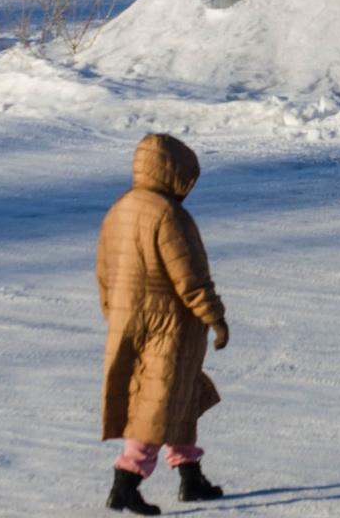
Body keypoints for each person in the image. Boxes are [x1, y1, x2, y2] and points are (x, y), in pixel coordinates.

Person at [100, 134, 230, 514]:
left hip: (130, 321)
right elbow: (190, 278)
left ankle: (191, 478)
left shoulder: (120, 208)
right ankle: (126, 482)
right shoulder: (170, 216)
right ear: (175, 174)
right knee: (156, 405)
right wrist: (216, 318)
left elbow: (105, 273)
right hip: (168, 327)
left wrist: (117, 313)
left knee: (180, 396)